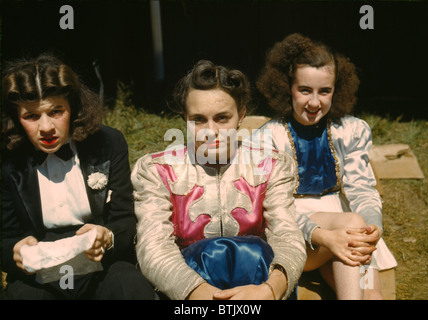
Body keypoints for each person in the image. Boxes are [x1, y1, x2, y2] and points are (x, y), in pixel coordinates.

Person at [131, 60, 306, 300]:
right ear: (185, 118)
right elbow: (153, 247)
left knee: (254, 252)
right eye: (199, 119)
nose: (210, 131)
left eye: (222, 118)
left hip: (257, 288)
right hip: (187, 293)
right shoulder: (157, 170)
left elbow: (288, 237)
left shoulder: (271, 166)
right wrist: (197, 292)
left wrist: (270, 290)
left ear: (241, 115)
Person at [254, 33, 397, 300]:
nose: (314, 102)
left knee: (373, 296)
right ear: (287, 87)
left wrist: (374, 226)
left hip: (344, 224)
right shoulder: (268, 137)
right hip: (295, 226)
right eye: (304, 90)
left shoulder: (351, 130)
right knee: (352, 225)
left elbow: (362, 188)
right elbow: (271, 207)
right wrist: (324, 237)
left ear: (337, 90)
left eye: (325, 91)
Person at [1, 53, 155, 299]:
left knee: (131, 288)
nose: (46, 128)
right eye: (31, 116)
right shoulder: (7, 158)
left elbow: (125, 219)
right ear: (16, 118)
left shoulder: (108, 143)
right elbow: (5, 236)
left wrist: (108, 237)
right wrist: (14, 251)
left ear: (73, 107)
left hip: (101, 262)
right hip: (39, 272)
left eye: (56, 111)